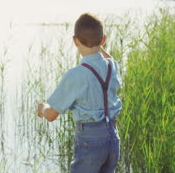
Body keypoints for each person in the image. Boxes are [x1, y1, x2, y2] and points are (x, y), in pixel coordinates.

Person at [37, 13, 122, 173]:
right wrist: (98, 44)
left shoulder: (76, 75)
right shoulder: (112, 67)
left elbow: (51, 115)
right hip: (112, 138)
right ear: (103, 40)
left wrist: (42, 109)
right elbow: (111, 60)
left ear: (75, 41)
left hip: (90, 140)